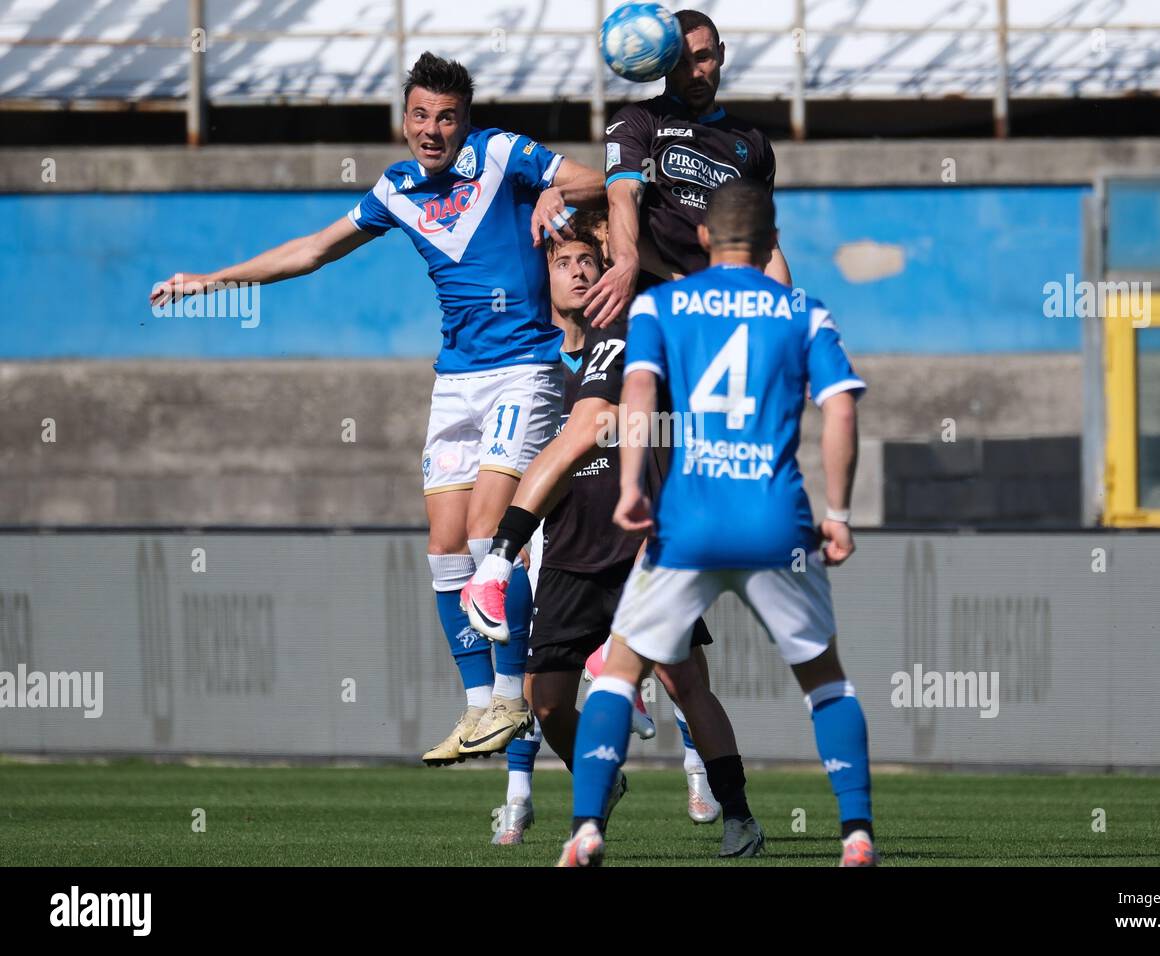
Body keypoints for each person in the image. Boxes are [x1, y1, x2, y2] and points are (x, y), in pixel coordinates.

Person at [148, 54, 605, 767]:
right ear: (404, 119)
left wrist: (558, 196)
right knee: (445, 549)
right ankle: (479, 707)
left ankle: (515, 700)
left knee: (491, 533)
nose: (432, 129)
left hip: (523, 371)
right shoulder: (396, 190)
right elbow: (313, 250)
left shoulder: (500, 154)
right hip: (455, 379)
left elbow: (599, 180)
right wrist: (212, 280)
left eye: (447, 116)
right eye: (420, 115)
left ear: (465, 120)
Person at [557, 179, 876, 868]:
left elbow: (638, 390)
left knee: (617, 675)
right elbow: (842, 408)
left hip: (688, 522)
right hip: (775, 524)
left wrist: (634, 486)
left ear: (702, 237)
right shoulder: (802, 312)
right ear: (771, 244)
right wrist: (841, 514)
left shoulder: (661, 305)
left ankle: (586, 826)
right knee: (826, 682)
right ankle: (856, 835)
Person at [479, 214, 762, 857]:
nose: (582, 270)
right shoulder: (531, 359)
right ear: (542, 277)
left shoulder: (641, 326)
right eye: (566, 262)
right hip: (571, 553)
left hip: (641, 543)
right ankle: (598, 785)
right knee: (546, 702)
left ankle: (738, 813)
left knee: (685, 684)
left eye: (592, 257)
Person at [583, 7, 791, 331]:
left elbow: (765, 243)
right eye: (680, 63)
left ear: (721, 54)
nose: (694, 73)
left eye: (703, 57)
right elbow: (623, 196)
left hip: (725, 310)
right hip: (651, 301)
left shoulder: (754, 144)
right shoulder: (639, 121)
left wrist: (782, 315)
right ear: (664, 62)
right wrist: (626, 261)